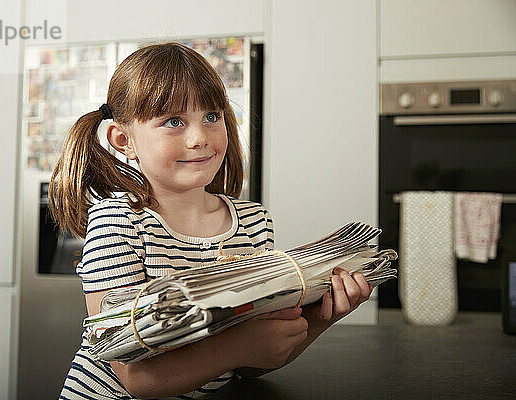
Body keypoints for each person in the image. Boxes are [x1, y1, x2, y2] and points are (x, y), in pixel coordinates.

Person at [49, 42, 374, 400]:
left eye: (212, 116)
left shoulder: (253, 223)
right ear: (124, 140)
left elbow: (252, 362)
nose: (199, 137)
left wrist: (319, 320)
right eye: (173, 121)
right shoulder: (117, 221)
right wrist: (240, 345)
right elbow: (136, 378)